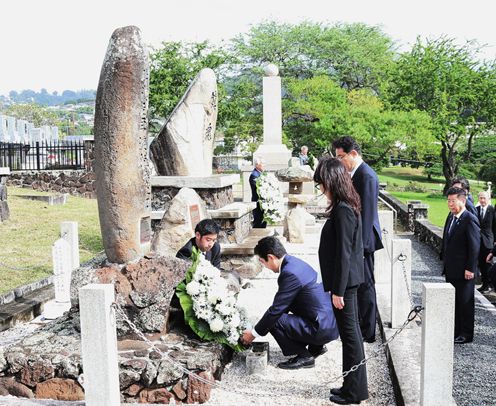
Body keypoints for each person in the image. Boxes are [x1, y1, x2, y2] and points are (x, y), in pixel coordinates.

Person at [314, 156, 368, 405]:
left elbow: (345, 253)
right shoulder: (344, 206)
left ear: (332, 181)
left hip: (345, 285)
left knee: (351, 336)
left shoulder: (344, 209)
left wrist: (338, 290)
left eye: (322, 183)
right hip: (344, 283)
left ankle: (354, 392)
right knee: (349, 336)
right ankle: (349, 385)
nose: (321, 189)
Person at [240, 236, 339, 370]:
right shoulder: (295, 263)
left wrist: (253, 334)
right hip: (329, 324)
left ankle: (304, 356)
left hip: (320, 329)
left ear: (271, 257)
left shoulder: (289, 273)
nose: (265, 266)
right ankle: (316, 347)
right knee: (278, 316)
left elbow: (276, 311)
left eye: (263, 262)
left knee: (274, 320)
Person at [332, 136, 383, 343]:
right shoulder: (355, 173)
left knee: (367, 285)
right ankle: (360, 325)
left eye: (341, 157)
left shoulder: (367, 176)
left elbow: (367, 214)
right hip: (358, 239)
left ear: (353, 153)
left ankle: (368, 331)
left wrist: (359, 247)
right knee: (360, 284)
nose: (340, 161)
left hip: (365, 240)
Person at [440, 187, 480, 344]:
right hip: (451, 268)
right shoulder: (451, 217)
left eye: (453, 201)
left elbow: (474, 246)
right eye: (448, 201)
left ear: (462, 201)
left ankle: (466, 334)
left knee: (465, 302)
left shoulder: (469, 219)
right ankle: (455, 330)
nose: (450, 204)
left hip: (465, 270)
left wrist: (470, 268)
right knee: (454, 301)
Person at [476, 191, 496, 293]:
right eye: (481, 198)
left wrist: (495, 241)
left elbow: (495, 226)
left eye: (484, 198)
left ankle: (489, 285)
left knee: (488, 264)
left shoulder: (492, 210)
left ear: (488, 199)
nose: (482, 200)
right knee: (481, 264)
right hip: (478, 241)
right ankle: (484, 284)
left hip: (489, 241)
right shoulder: (476, 209)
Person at [249, 157, 267, 228]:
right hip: (258, 202)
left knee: (263, 222)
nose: (264, 165)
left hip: (263, 202)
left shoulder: (261, 173)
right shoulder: (254, 175)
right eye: (262, 164)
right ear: (257, 165)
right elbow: (259, 189)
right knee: (258, 222)